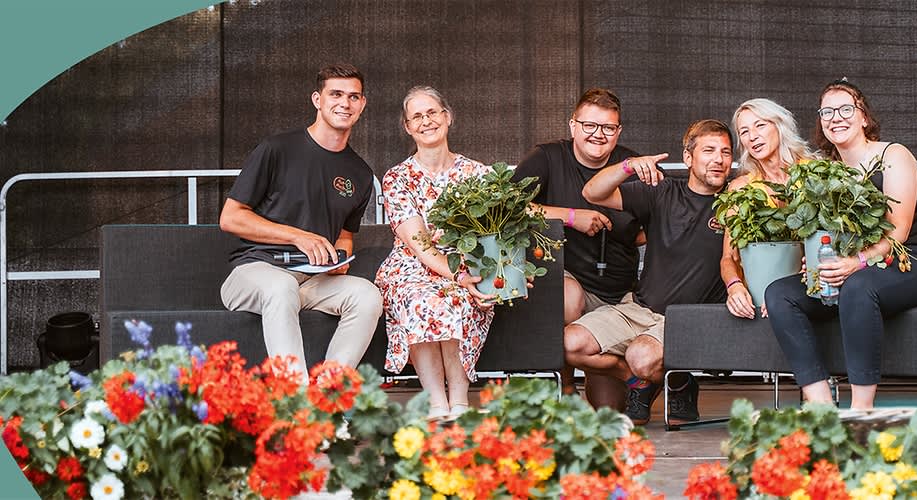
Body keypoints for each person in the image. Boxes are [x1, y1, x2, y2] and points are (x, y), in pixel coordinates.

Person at [763, 79, 917, 409]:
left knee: (857, 286)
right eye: (827, 111)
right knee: (779, 293)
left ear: (864, 116)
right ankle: (821, 403)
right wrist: (817, 259)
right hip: (860, 268)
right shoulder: (827, 171)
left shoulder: (893, 155)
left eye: (845, 109)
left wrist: (856, 263)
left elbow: (899, 232)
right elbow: (825, 233)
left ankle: (861, 410)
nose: (836, 117)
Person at [219, 63, 382, 377]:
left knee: (367, 295)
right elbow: (230, 218)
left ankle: (328, 395)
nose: (344, 103)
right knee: (281, 287)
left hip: (313, 281)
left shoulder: (360, 173)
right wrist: (297, 236)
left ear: (362, 105)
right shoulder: (276, 149)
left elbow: (346, 235)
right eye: (336, 94)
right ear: (317, 100)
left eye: (353, 96)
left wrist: (341, 258)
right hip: (257, 270)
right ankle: (296, 404)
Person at [575, 119, 733, 425]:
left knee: (640, 356)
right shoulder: (660, 191)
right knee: (570, 344)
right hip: (639, 308)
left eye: (726, 153)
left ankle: (675, 380)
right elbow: (592, 192)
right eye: (709, 150)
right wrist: (629, 166)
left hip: (688, 318)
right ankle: (649, 383)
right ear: (688, 158)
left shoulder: (736, 201)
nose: (718, 159)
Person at [512, 88, 647, 406]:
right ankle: (565, 383)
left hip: (615, 293)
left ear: (618, 131)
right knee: (567, 299)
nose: (598, 135)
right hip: (564, 280)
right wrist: (571, 217)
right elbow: (509, 206)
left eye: (608, 128)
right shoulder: (546, 157)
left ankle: (618, 370)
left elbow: (651, 228)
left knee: (609, 411)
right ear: (573, 125)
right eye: (589, 125)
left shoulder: (630, 166)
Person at [374, 85, 497, 420]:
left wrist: (498, 278)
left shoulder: (479, 174)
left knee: (454, 298)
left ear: (448, 117)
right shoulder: (397, 178)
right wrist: (457, 275)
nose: (426, 121)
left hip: (466, 264)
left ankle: (459, 399)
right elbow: (421, 244)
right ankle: (435, 401)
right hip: (412, 267)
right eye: (417, 116)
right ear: (408, 127)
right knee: (422, 299)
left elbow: (494, 234)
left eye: (432, 112)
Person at [721, 98, 820, 319]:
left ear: (780, 125)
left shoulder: (816, 174)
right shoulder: (741, 188)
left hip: (808, 293)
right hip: (757, 300)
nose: (752, 136)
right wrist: (735, 286)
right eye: (744, 131)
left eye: (760, 125)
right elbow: (728, 257)